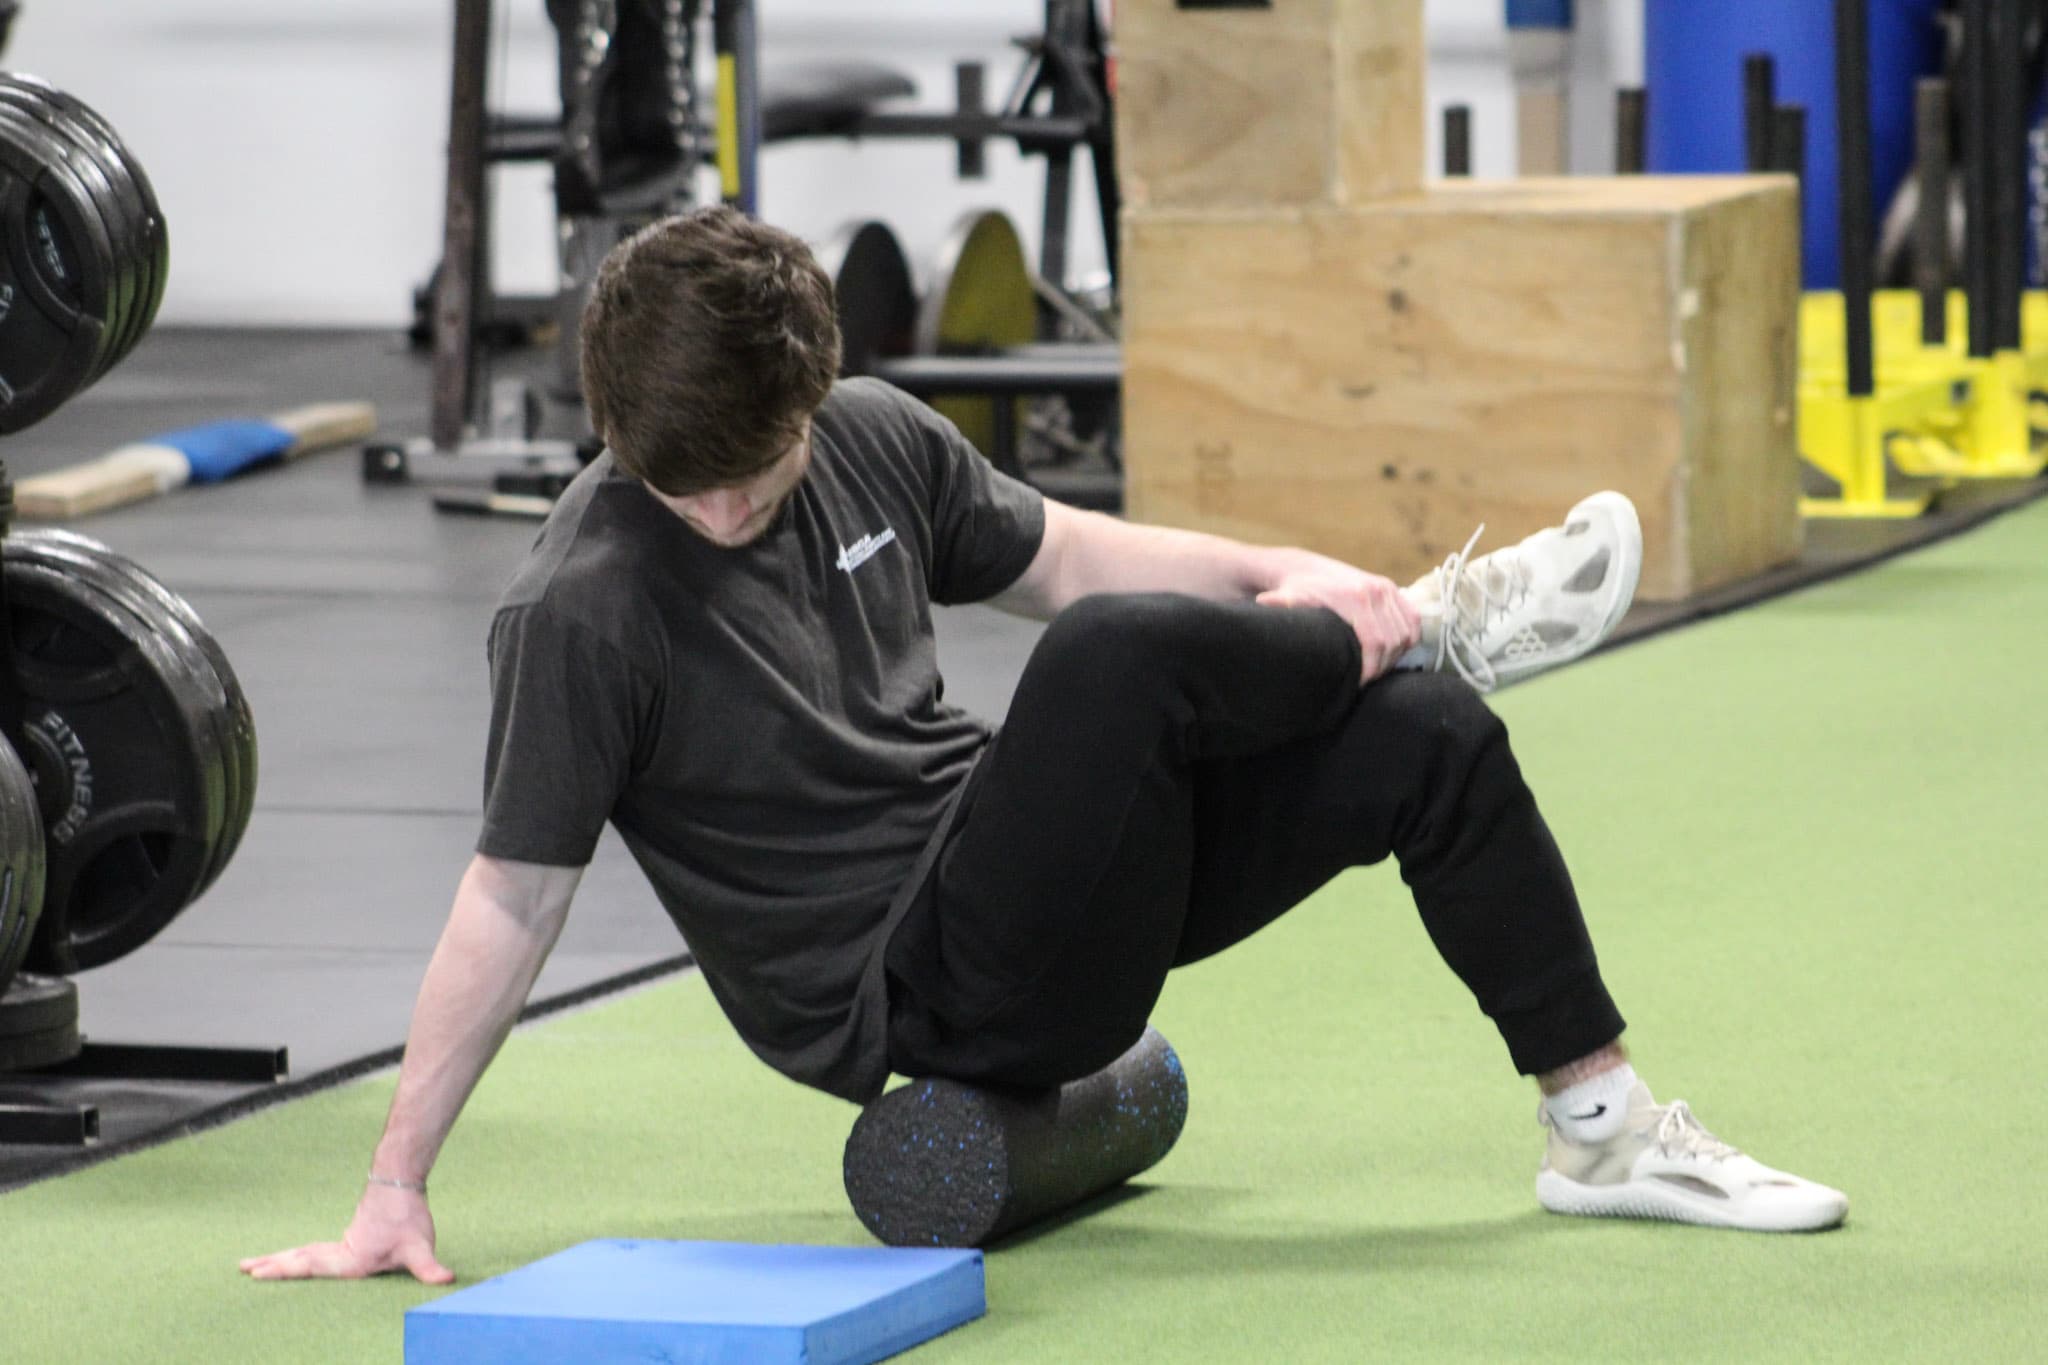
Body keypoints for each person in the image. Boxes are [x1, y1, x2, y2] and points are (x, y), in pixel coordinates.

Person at [242, 208, 1845, 1284]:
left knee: (1427, 734)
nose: (724, 507)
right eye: (687, 482)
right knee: (1105, 666)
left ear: (816, 395)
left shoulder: (869, 436)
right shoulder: (578, 612)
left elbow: (1077, 552)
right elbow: (511, 897)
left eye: (759, 467)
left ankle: (1602, 1127)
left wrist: (1307, 576)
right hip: (925, 987)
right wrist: (395, 1179)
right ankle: (1432, 615)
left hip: (1043, 882)